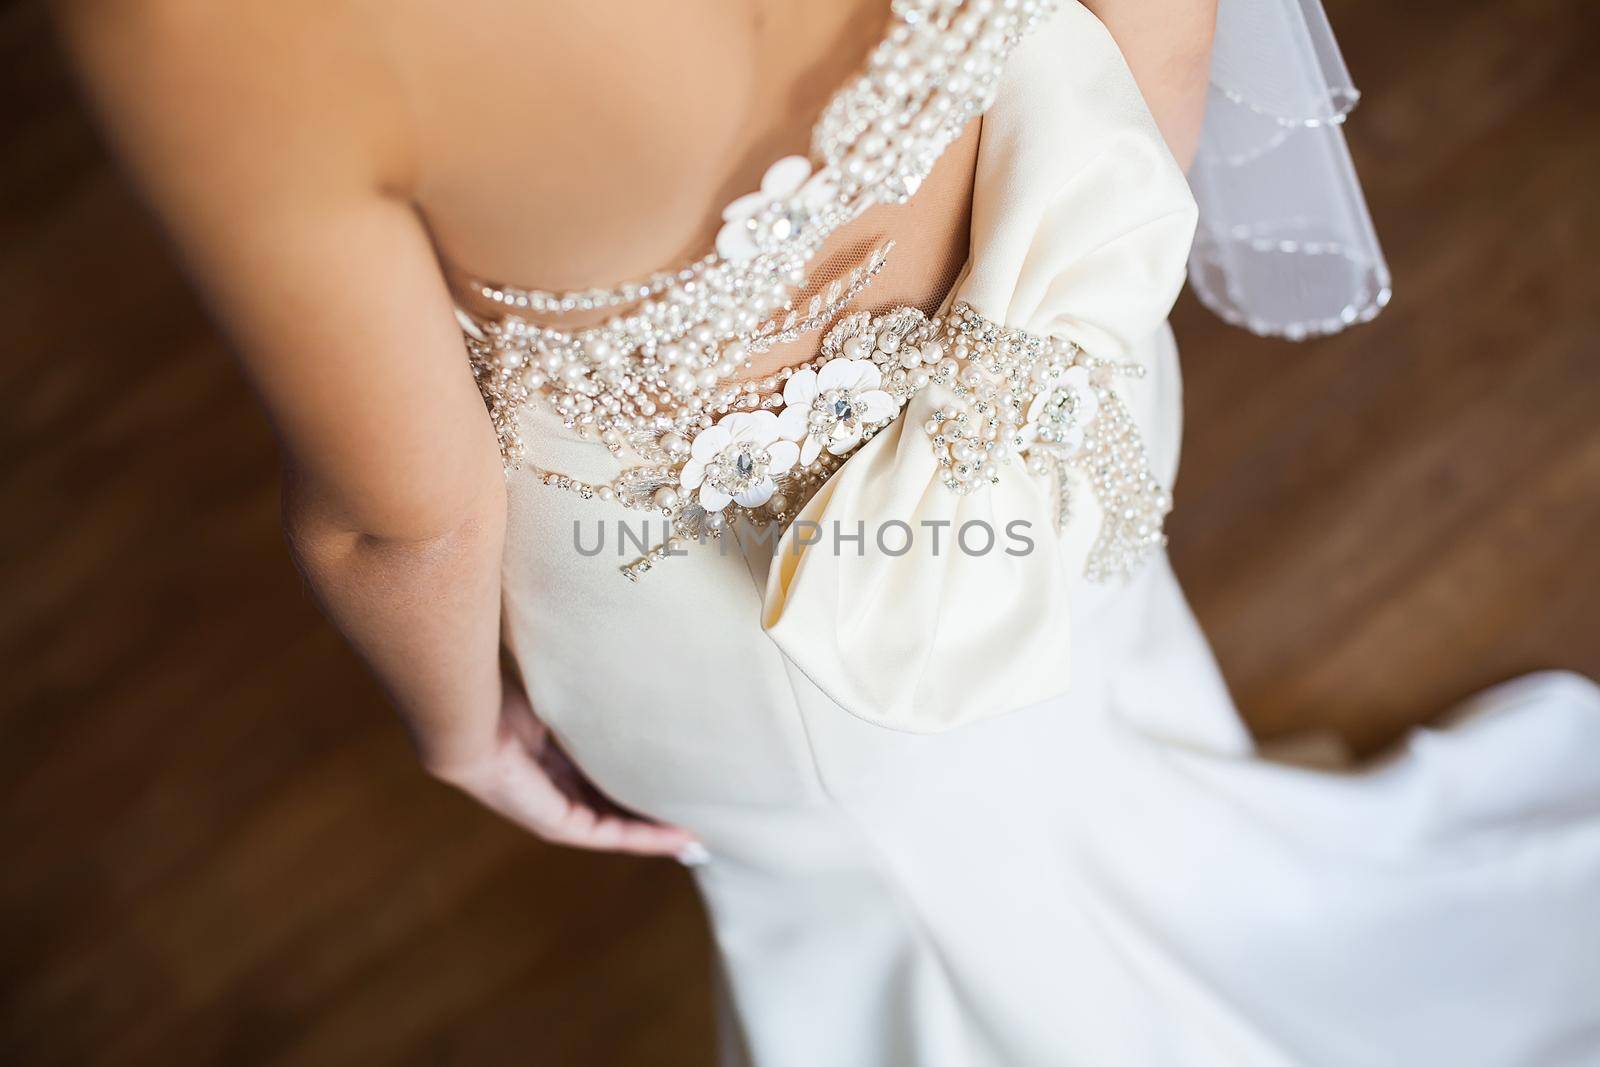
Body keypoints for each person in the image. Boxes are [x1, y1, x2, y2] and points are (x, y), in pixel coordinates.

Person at [57, 0, 1600, 1062]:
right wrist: (1080, 304)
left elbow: (399, 518)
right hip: (1060, 343)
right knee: (1073, 731)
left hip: (758, 632)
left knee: (916, 945)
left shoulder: (209, 26)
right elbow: (1157, 34)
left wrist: (460, 731)